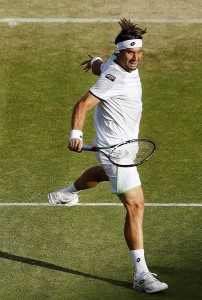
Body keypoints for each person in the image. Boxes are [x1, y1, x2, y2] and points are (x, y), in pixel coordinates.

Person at [48, 18, 168, 293]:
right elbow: (82, 104)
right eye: (130, 53)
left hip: (120, 149)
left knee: (102, 174)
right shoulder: (115, 76)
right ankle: (141, 275)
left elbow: (102, 69)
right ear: (120, 52)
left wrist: (95, 62)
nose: (136, 58)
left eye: (139, 53)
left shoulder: (116, 66)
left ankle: (67, 193)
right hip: (116, 151)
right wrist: (76, 134)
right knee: (135, 206)